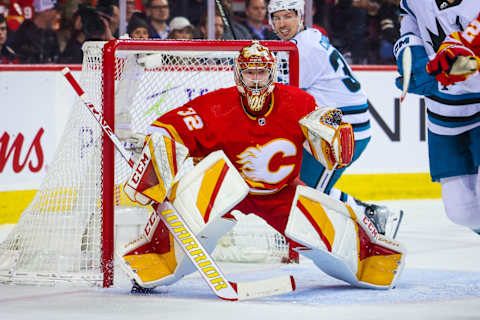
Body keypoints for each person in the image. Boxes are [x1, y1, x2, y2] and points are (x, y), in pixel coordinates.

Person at [116, 41, 405, 293]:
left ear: (272, 73)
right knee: (186, 248)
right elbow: (168, 130)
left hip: (282, 193)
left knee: (330, 249)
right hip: (225, 188)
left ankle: (368, 254)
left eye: (262, 72)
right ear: (238, 74)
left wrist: (332, 135)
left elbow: (325, 133)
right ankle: (153, 259)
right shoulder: (216, 106)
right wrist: (156, 152)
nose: (256, 80)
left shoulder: (298, 101)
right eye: (250, 73)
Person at [268, 0, 403, 238]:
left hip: (339, 132)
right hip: (330, 127)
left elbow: (285, 97)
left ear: (300, 16)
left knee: (308, 193)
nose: (282, 23)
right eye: (276, 18)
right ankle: (371, 215)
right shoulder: (307, 38)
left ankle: (372, 217)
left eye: (287, 16)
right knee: (303, 188)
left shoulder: (301, 49)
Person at [394, 0, 480, 233]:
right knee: (461, 210)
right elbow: (409, 25)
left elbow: (472, 49)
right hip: (443, 110)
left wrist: (454, 70)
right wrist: (412, 58)